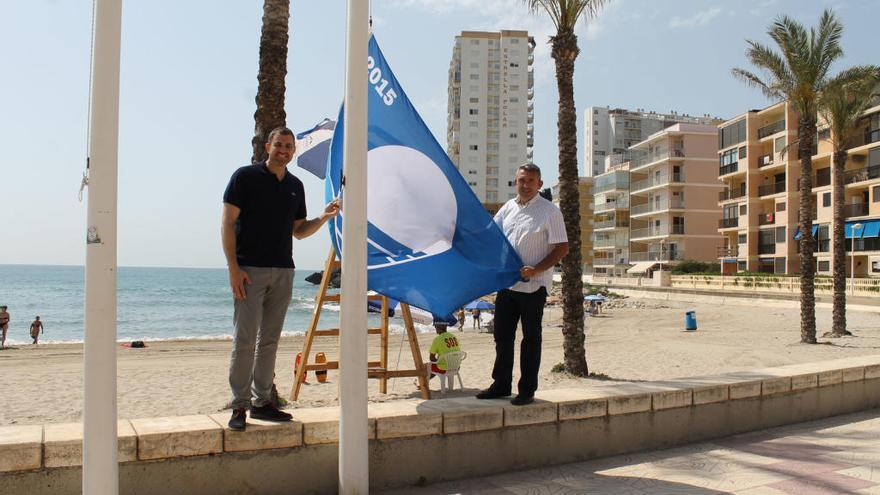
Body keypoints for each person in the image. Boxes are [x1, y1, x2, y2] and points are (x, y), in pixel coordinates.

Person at [221, 127, 340, 431]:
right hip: (249, 271)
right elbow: (227, 222)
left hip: (284, 271)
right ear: (267, 146)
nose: (284, 150)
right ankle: (239, 405)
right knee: (245, 340)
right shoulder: (244, 177)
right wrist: (233, 268)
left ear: (293, 150)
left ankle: (262, 403)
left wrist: (325, 216)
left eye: (289, 146)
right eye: (279, 145)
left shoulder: (295, 186)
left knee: (270, 342)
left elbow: (298, 231)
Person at [477, 163, 568, 406]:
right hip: (507, 284)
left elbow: (562, 247)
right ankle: (501, 384)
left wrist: (537, 269)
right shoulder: (508, 208)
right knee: (502, 337)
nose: (525, 185)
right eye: (521, 180)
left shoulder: (551, 211)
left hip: (534, 286)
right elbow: (491, 236)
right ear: (515, 182)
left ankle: (526, 390)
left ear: (539, 184)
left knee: (530, 339)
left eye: (530, 181)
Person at [426, 318, 461, 385]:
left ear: (440, 327)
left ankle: (424, 383)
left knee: (428, 366)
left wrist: (438, 361)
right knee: (436, 365)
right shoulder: (453, 336)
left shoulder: (437, 339)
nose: (435, 328)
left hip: (444, 368)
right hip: (456, 366)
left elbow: (431, 358)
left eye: (435, 326)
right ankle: (424, 381)